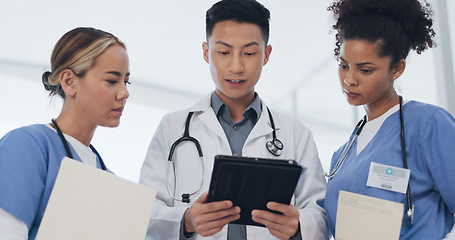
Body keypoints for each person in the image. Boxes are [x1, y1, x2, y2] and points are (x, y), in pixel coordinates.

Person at [139, 0, 327, 239]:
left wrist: (299, 225)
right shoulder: (172, 128)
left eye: (249, 53)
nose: (236, 66)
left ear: (266, 55)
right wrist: (186, 220)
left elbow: (320, 214)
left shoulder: (296, 134)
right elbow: (145, 212)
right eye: (224, 52)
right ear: (206, 52)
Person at [324, 0, 455, 239]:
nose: (349, 80)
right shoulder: (341, 156)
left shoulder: (429, 125)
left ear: (397, 68)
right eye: (344, 65)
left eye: (365, 70)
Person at [0, 27, 130, 239]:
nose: (124, 93)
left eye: (127, 81)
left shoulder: (107, 177)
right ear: (69, 81)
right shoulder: (27, 146)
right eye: (112, 81)